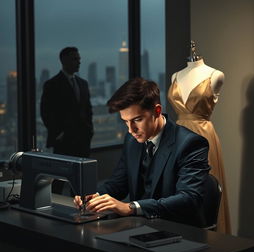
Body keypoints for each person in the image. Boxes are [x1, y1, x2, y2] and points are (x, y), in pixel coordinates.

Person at [74, 77, 211, 227]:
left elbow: (189, 199)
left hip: (180, 230)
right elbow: (118, 183)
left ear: (157, 111)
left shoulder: (191, 143)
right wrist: (95, 197)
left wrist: (130, 207)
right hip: (139, 227)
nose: (130, 130)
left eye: (137, 120)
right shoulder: (132, 140)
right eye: (125, 121)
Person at [167, 57, 231, 233]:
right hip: (177, 136)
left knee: (206, 190)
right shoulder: (175, 76)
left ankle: (211, 240)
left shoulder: (215, 75)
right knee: (179, 190)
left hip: (203, 135)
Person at [40, 46, 94, 158]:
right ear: (64, 61)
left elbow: (88, 110)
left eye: (79, 59)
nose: (79, 62)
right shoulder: (52, 85)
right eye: (75, 59)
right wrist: (59, 134)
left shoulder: (83, 84)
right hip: (63, 142)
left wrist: (89, 131)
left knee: (83, 173)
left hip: (83, 141)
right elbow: (46, 112)